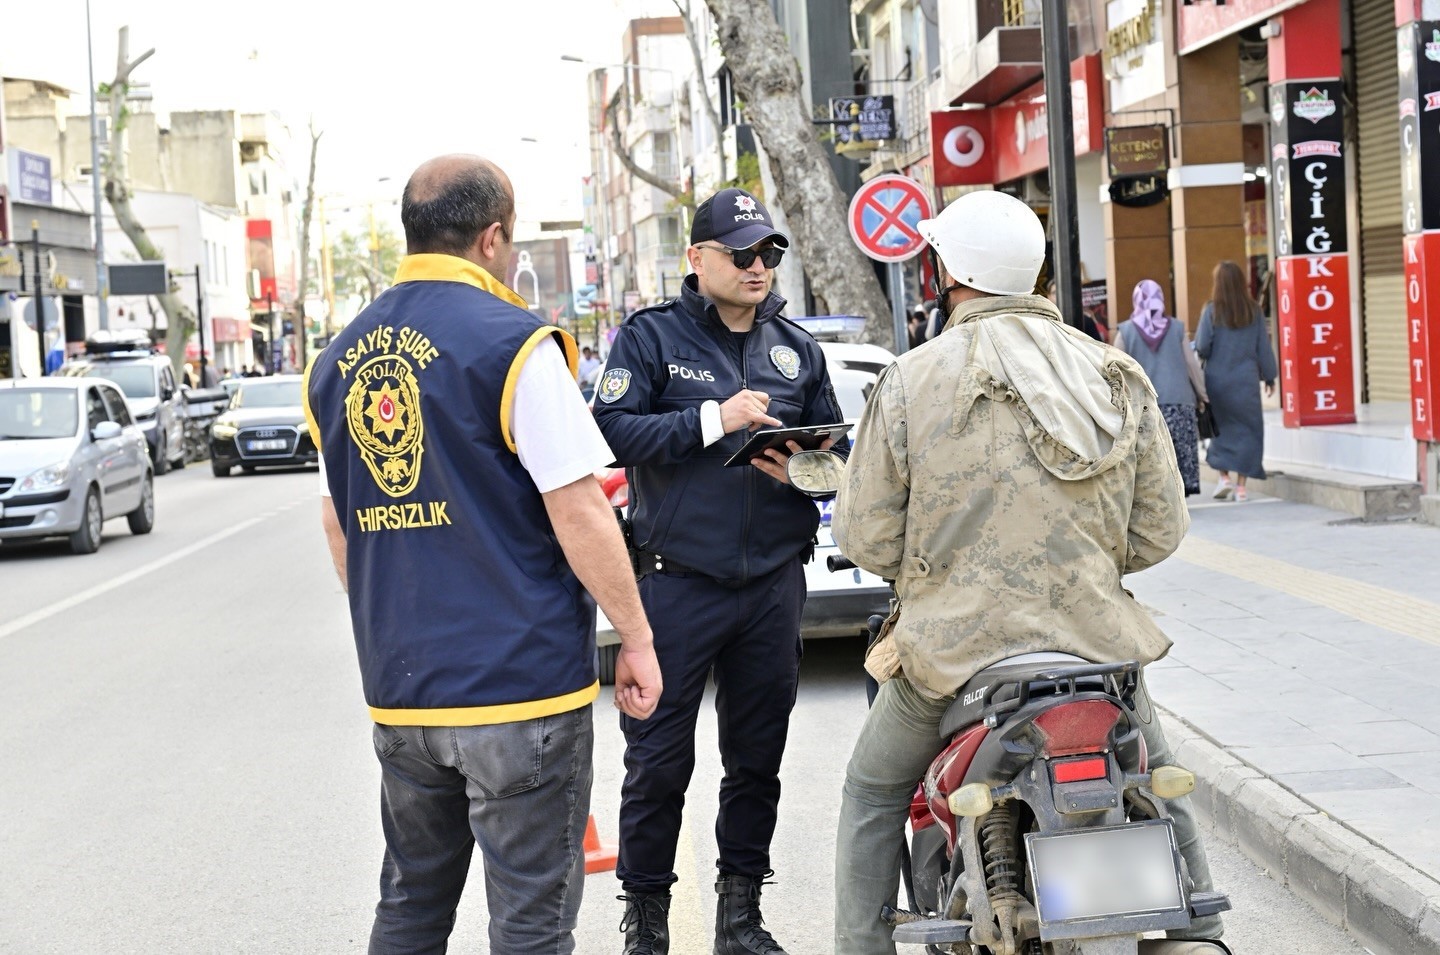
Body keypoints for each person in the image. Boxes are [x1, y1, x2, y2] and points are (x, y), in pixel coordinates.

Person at [830, 190, 1224, 953]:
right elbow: (1159, 530)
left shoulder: (910, 379)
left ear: (947, 274)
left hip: (952, 660)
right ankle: (1202, 930)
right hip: (1096, 655)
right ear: (1037, 273)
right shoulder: (1115, 371)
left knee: (872, 792)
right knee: (1159, 775)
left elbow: (866, 534)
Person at [303, 154, 663, 955]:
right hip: (519, 690)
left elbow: (338, 525)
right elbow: (579, 508)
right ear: (493, 237)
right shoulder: (514, 345)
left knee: (410, 905)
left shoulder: (335, 362)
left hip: (404, 697)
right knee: (531, 923)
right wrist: (636, 637)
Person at [593, 186, 848, 955]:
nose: (757, 265)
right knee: (657, 764)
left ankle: (740, 917)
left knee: (757, 760)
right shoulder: (651, 337)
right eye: (740, 253)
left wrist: (802, 469)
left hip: (771, 583)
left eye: (768, 252)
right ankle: (647, 926)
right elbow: (611, 432)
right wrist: (715, 419)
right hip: (676, 583)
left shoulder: (796, 347)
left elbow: (835, 459)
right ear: (697, 258)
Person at [1111, 279, 1209, 496]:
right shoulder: (1177, 328)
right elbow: (1191, 364)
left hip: (1145, 406)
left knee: (1152, 457)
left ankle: (1158, 497)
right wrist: (1203, 394)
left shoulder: (1126, 331)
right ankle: (1180, 496)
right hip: (1179, 402)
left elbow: (1116, 370)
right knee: (1180, 453)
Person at [1196, 260, 1278, 503]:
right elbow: (1263, 348)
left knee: (1220, 430)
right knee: (1249, 432)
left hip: (1217, 382)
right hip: (1246, 383)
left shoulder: (1211, 311)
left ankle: (1224, 478)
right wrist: (1270, 376)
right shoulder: (1254, 311)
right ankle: (1241, 487)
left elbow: (1202, 346)